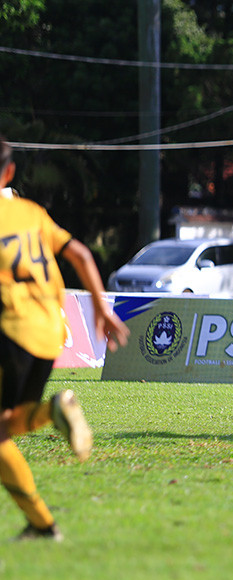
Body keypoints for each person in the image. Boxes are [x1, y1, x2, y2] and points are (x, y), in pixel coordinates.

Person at [0, 135, 130, 541]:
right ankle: (53, 410)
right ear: (9, 172)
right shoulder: (33, 212)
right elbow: (82, 255)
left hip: (11, 327)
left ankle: (43, 523)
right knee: (11, 424)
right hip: (50, 331)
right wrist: (101, 309)